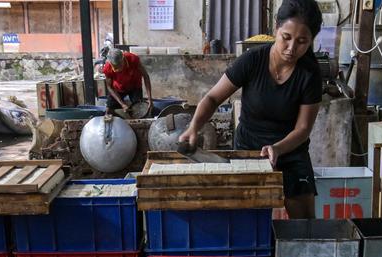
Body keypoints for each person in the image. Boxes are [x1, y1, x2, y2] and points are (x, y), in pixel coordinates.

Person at [179, 0, 322, 218]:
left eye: (302, 41)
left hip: (291, 150)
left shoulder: (310, 73)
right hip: (249, 148)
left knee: (304, 225)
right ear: (276, 29)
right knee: (248, 219)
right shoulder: (252, 61)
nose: (292, 48)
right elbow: (212, 98)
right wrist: (194, 127)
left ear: (311, 40)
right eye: (286, 38)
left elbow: (303, 129)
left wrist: (278, 148)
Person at [102, 48, 153, 115]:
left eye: (119, 65)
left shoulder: (133, 59)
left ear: (123, 59)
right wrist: (122, 104)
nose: (118, 69)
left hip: (135, 86)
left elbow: (145, 76)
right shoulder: (107, 68)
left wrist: (150, 98)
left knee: (139, 109)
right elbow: (110, 87)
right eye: (115, 67)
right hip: (118, 88)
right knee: (109, 110)